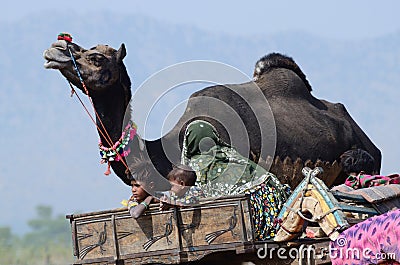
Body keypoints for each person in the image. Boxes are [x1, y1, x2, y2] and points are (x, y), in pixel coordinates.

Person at [180, 119, 291, 240]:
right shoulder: (230, 153)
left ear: (189, 142)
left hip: (243, 219)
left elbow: (196, 194)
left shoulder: (196, 165)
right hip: (272, 210)